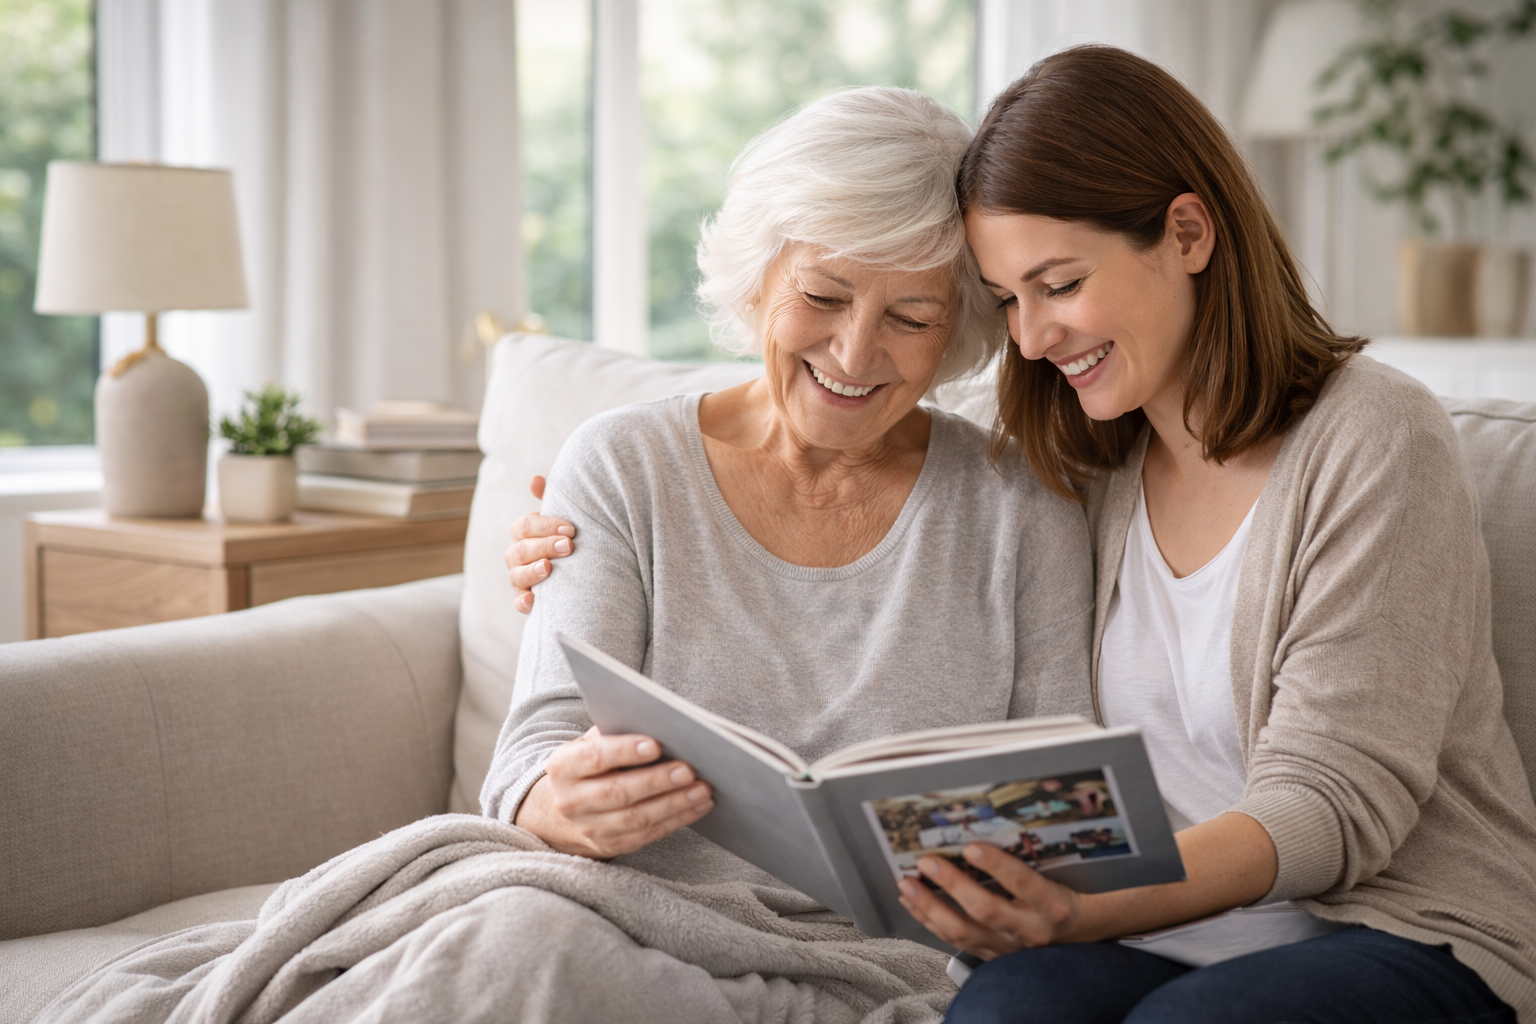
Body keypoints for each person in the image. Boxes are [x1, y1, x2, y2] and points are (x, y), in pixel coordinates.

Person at [508, 48, 1536, 1024]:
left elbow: (1332, 806)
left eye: (1061, 285)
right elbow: (835, 429)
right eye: (1008, 301)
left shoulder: (1373, 437)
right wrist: (570, 536)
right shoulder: (1085, 450)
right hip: (1137, 931)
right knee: (1002, 1010)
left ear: (1188, 234)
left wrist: (1078, 908)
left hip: (1382, 923)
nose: (1034, 339)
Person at [481, 86, 1094, 901]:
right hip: (631, 913)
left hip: (899, 943)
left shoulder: (1022, 505)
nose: (855, 353)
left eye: (912, 318)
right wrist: (564, 806)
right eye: (823, 297)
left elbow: (1068, 804)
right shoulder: (622, 465)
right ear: (756, 278)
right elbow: (528, 764)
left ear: (959, 330)